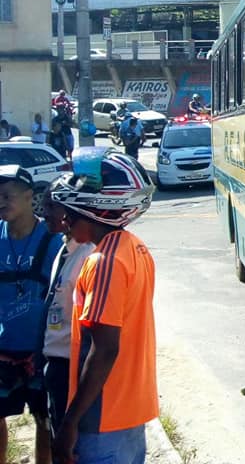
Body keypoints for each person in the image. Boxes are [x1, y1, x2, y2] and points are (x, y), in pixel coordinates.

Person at [49, 148, 156, 464]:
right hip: (131, 411)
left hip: (103, 418)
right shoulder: (135, 248)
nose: (65, 220)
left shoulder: (102, 263)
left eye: (72, 212)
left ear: (99, 211)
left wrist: (69, 423)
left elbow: (105, 349)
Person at [0, 165, 59, 464]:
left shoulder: (52, 241)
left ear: (28, 196)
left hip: (41, 351)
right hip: (2, 349)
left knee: (44, 420)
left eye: (7, 195)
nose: (0, 202)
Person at [41, 192, 95, 442]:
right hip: (55, 363)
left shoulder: (87, 255)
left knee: (71, 446)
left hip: (72, 367)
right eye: (44, 205)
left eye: (52, 206)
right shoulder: (64, 249)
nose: (45, 213)